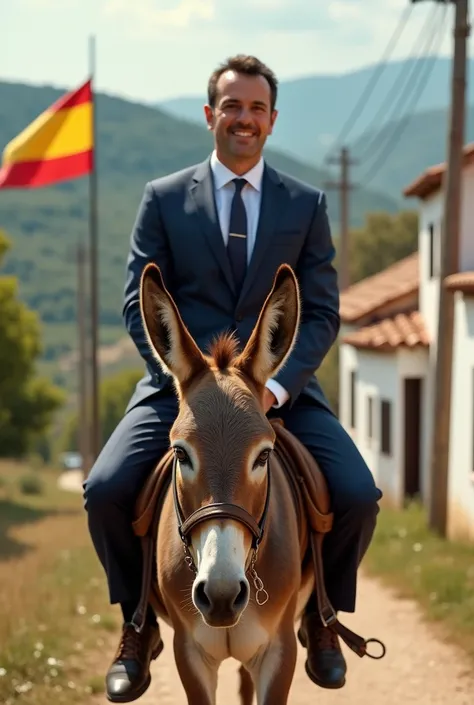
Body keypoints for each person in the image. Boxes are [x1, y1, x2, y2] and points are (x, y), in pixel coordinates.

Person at [83, 54, 382, 702]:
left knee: (358, 494)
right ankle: (137, 625)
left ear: (272, 119)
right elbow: (139, 300)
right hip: (182, 390)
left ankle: (321, 615)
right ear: (209, 114)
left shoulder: (306, 204)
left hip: (278, 391)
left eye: (255, 108)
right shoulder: (162, 198)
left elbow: (323, 308)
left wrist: (278, 386)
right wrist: (180, 378)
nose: (242, 118)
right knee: (105, 489)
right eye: (231, 106)